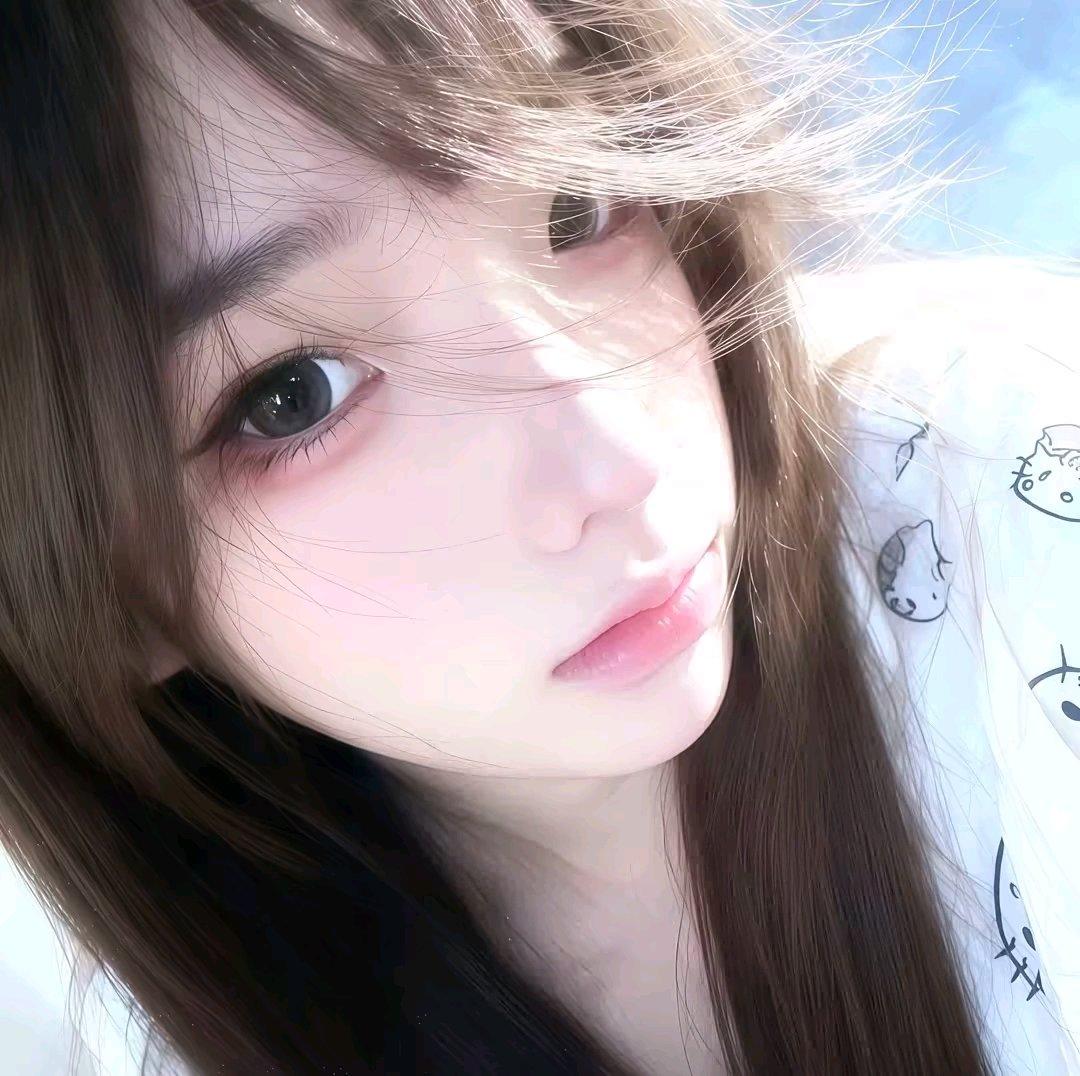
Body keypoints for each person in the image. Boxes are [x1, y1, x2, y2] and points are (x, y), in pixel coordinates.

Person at [2, 1, 1078, 1073]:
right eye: (295, 394)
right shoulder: (107, 1033)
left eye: (576, 203)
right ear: (95, 580)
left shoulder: (1002, 507)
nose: (620, 455)